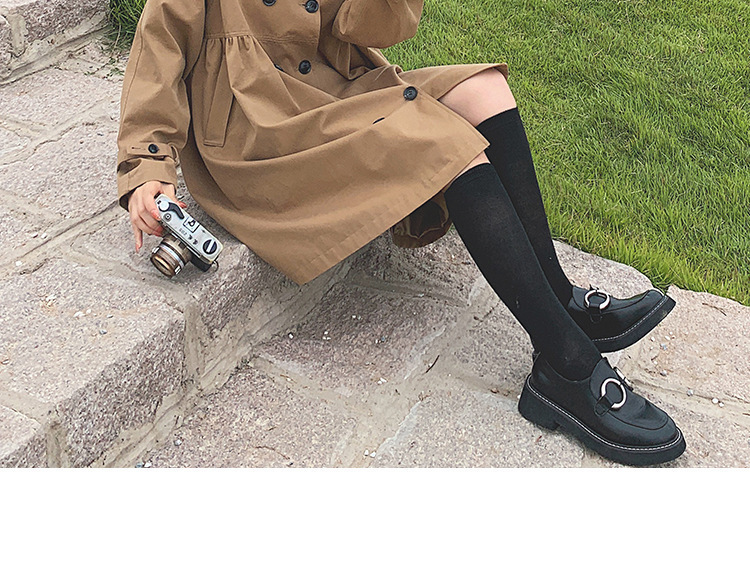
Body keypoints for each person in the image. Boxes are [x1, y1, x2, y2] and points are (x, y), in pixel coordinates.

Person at [116, 0, 685, 466]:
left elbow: (372, 25)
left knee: (485, 89)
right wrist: (147, 164)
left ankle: (560, 299)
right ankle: (565, 364)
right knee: (448, 149)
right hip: (261, 132)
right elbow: (159, 46)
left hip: (334, 90)